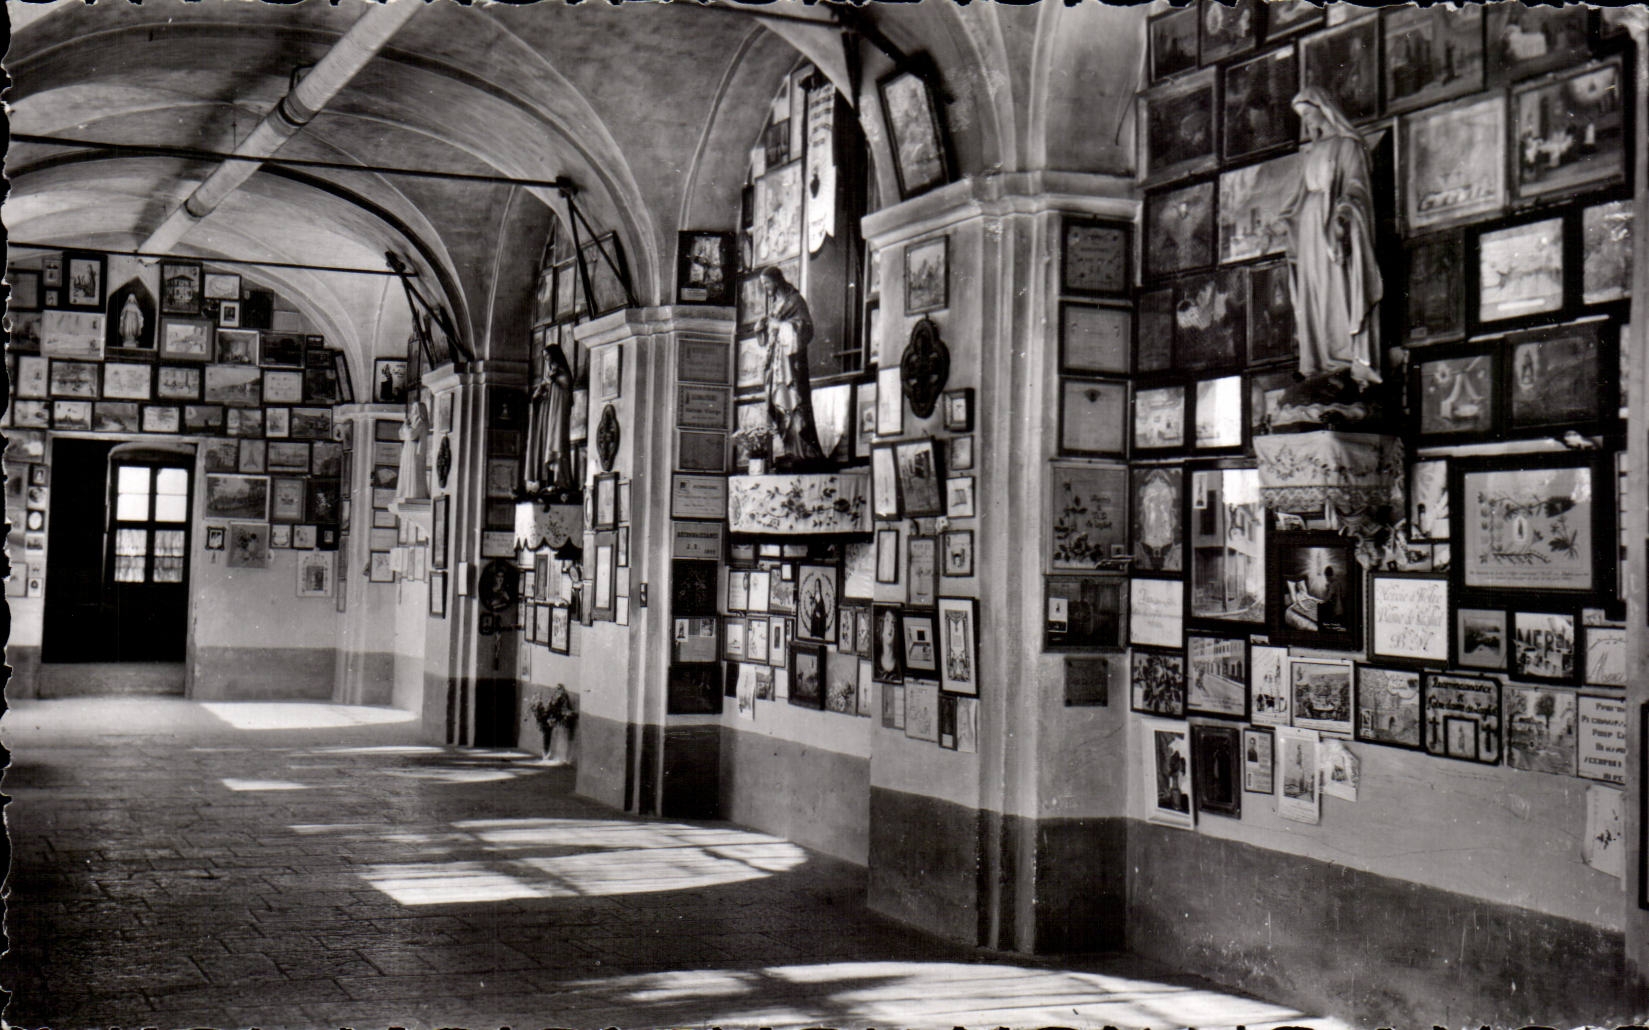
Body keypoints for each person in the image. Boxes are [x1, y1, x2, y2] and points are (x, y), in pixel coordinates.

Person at [1281, 87, 1383, 389]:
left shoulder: (1347, 146)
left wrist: (1343, 214)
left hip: (1332, 232)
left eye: (1310, 115)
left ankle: (1341, 360)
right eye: (1304, 119)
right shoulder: (1311, 153)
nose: (1308, 123)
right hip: (1310, 231)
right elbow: (1299, 197)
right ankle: (1317, 362)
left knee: (1335, 292)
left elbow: (1356, 186)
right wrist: (1285, 221)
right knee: (1312, 295)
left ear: (1324, 110)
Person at [759, 266, 824, 466]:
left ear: (777, 280)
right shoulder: (776, 303)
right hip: (776, 363)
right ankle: (789, 448)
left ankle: (803, 451)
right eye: (763, 285)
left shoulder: (795, 301)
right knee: (778, 404)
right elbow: (769, 335)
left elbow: (806, 328)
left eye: (767, 283)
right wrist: (761, 328)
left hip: (791, 365)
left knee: (794, 403)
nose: (766, 288)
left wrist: (782, 326)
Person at [526, 341, 574, 493]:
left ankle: (558, 480)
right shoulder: (548, 374)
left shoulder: (562, 372)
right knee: (544, 445)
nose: (546, 360)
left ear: (554, 356)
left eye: (548, 356)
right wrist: (539, 394)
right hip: (547, 416)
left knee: (555, 444)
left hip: (556, 415)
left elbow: (565, 387)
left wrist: (554, 383)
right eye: (544, 358)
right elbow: (540, 393)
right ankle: (546, 480)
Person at [397, 398, 431, 502]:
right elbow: (401, 435)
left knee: (413, 471)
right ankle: (407, 491)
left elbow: (411, 435)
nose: (412, 412)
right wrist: (405, 425)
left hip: (414, 450)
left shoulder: (420, 422)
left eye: (414, 409)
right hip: (409, 448)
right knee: (407, 470)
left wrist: (406, 426)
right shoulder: (413, 423)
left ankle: (413, 493)